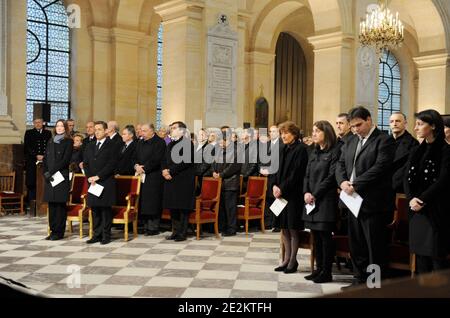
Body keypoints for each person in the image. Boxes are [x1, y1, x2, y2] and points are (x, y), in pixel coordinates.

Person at [336, 106, 396, 288]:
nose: (355, 130)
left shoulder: (383, 140)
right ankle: (359, 279)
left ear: (369, 120)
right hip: (352, 200)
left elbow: (380, 168)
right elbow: (340, 164)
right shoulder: (351, 141)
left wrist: (356, 184)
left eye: (358, 125)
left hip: (372, 203)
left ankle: (374, 283)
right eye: (352, 126)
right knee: (357, 244)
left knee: (374, 246)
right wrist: (343, 182)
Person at [405, 109, 450, 274]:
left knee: (436, 256)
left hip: (435, 210)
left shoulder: (445, 150)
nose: (415, 128)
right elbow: (407, 176)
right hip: (416, 210)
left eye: (420, 124)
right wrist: (411, 199)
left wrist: (422, 200)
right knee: (421, 257)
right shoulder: (417, 150)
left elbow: (443, 180)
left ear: (432, 126)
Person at [303, 121, 341, 283]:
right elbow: (306, 175)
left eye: (317, 131)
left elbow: (331, 177)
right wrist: (306, 192)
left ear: (326, 133)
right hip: (311, 201)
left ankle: (327, 271)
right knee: (315, 236)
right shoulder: (314, 152)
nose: (314, 134)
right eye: (313, 131)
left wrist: (315, 194)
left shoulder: (335, 152)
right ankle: (318, 269)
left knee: (325, 237)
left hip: (325, 201)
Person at [273, 121, 308, 274]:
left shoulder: (301, 149)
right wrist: (274, 185)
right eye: (282, 133)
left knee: (293, 229)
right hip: (281, 194)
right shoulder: (282, 148)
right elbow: (275, 168)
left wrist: (281, 188)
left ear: (294, 134)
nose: (283, 136)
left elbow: (296, 174)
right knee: (284, 228)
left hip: (293, 195)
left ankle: (293, 261)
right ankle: (286, 259)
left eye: (286, 133)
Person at [83, 121, 118, 245]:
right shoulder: (90, 145)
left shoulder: (112, 145)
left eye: (99, 129)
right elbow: (85, 163)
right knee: (95, 210)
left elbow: (112, 164)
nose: (97, 131)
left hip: (105, 182)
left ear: (106, 131)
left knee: (105, 210)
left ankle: (106, 235)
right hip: (92, 183)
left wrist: (98, 176)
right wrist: (90, 177)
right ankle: (96, 235)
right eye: (95, 129)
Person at [162, 121, 196, 242]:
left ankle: (182, 232)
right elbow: (164, 160)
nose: (172, 130)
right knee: (173, 207)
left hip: (183, 180)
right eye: (171, 128)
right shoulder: (170, 144)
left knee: (182, 207)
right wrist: (164, 170)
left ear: (182, 130)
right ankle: (175, 231)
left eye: (174, 128)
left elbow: (185, 162)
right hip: (171, 179)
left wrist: (170, 171)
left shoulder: (187, 143)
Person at [43, 120, 73, 240]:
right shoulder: (51, 140)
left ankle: (59, 232)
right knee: (52, 205)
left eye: (61, 126)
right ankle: (52, 231)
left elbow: (65, 160)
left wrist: (52, 171)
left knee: (60, 205)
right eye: (57, 126)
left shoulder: (68, 141)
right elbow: (45, 158)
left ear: (65, 128)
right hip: (50, 177)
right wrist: (45, 172)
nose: (59, 128)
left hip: (61, 176)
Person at [133, 124, 166, 235]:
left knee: (153, 201)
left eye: (144, 131)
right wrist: (136, 165)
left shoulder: (159, 142)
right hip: (141, 175)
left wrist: (144, 168)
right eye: (141, 131)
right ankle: (145, 225)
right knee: (143, 201)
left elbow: (157, 159)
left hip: (154, 176)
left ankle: (153, 227)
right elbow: (135, 156)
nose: (142, 133)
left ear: (152, 131)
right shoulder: (140, 142)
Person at [211, 132, 242, 236]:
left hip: (230, 183)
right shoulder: (219, 150)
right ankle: (222, 226)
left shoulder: (236, 151)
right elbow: (214, 162)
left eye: (221, 140)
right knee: (222, 207)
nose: (219, 142)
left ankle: (232, 228)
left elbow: (234, 167)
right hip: (220, 183)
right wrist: (214, 172)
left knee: (230, 208)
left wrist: (221, 174)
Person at [260, 125, 283, 231]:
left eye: (274, 131)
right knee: (268, 199)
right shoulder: (267, 145)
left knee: (277, 199)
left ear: (278, 132)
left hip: (277, 176)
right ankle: (269, 222)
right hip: (266, 177)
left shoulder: (282, 145)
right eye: (270, 131)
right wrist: (262, 169)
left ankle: (278, 224)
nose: (272, 133)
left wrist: (269, 170)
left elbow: (280, 162)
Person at [389, 112, 419, 193]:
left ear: (405, 124)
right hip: (382, 186)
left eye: (398, 121)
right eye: (392, 121)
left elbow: (407, 168)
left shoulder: (413, 143)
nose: (394, 124)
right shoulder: (384, 141)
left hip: (400, 187)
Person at [24, 118, 52, 203]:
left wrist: (44, 156)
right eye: (36, 122)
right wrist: (36, 155)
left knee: (44, 181)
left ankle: (43, 202)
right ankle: (31, 203)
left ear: (43, 123)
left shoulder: (48, 133)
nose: (37, 124)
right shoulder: (29, 133)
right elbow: (27, 147)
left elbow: (50, 146)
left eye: (39, 122)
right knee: (32, 182)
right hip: (32, 161)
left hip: (45, 161)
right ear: (33, 123)